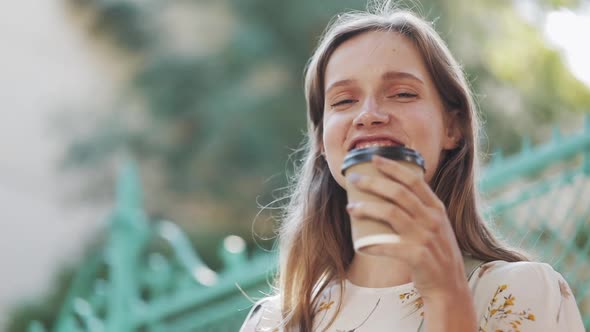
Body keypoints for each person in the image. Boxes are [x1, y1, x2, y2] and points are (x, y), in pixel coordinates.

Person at [240, 2, 585, 331]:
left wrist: (447, 295)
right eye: (344, 100)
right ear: (321, 142)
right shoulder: (271, 323)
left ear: (452, 127)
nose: (369, 114)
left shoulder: (521, 293)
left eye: (403, 93)